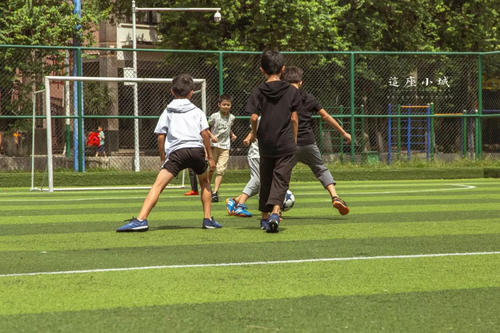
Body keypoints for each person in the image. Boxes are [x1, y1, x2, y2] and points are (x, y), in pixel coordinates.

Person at [116, 73, 221, 232]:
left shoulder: (168, 111)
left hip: (177, 153)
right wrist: (210, 156)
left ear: (172, 91)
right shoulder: (198, 111)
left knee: (157, 186)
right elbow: (205, 134)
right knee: (205, 183)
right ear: (192, 92)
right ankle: (208, 219)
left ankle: (141, 219)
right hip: (196, 151)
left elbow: (160, 136)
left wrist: (163, 158)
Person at [282, 66, 351, 215]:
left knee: (282, 173)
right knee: (320, 169)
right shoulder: (309, 98)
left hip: (289, 143)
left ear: (285, 82)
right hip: (308, 142)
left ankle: (276, 209)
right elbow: (326, 117)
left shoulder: (282, 98)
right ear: (300, 82)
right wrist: (344, 133)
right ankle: (335, 197)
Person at [246, 50, 301, 233]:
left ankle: (263, 217)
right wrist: (294, 139)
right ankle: (276, 212)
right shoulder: (291, 91)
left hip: (265, 141)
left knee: (266, 177)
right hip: (285, 141)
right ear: (283, 69)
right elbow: (294, 118)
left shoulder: (258, 91)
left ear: (262, 70)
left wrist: (254, 134)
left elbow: (254, 117)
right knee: (281, 178)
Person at [225, 117, 261, 217]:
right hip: (256, 153)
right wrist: (248, 138)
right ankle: (240, 206)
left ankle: (234, 201)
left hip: (267, 155)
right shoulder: (263, 116)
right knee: (257, 180)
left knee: (263, 184)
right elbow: (253, 130)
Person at [208, 94, 237, 202]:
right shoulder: (214, 116)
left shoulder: (232, 117)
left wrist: (232, 134)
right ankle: (207, 187)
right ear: (219, 105)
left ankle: (215, 192)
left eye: (228, 105)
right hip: (214, 146)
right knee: (211, 168)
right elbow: (206, 128)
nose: (226, 106)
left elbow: (227, 127)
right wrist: (212, 136)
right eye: (224, 104)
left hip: (225, 146)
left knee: (221, 170)